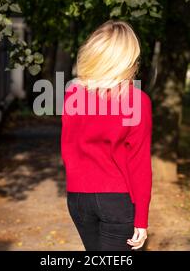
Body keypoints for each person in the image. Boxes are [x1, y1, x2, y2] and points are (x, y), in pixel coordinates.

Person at [61, 20, 153, 251]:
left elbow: (68, 146)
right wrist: (141, 219)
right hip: (116, 199)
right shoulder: (137, 101)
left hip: (78, 198)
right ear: (128, 58)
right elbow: (139, 163)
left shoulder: (73, 94)